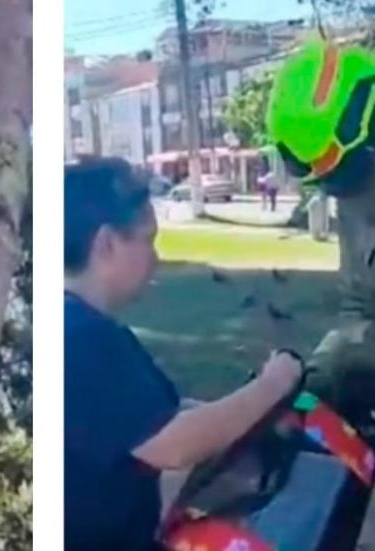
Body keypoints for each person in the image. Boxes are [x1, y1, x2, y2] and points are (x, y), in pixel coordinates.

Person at [63, 157, 304, 550]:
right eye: (147, 239)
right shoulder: (84, 337)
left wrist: (250, 413)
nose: (155, 256)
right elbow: (175, 443)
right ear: (107, 243)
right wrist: (275, 383)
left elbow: (164, 415)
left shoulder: (78, 327)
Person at [267, 39, 375, 440]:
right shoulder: (353, 204)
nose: (338, 196)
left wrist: (352, 351)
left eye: (346, 178)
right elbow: (359, 306)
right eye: (323, 182)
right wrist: (313, 384)